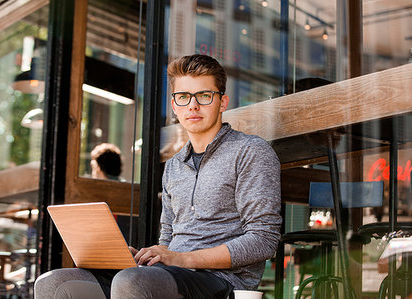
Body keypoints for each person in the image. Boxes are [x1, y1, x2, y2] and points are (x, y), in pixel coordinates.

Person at [34, 54, 281, 299]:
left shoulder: (250, 151)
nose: (193, 106)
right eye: (184, 97)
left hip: (221, 280)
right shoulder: (174, 165)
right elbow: (167, 239)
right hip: (169, 273)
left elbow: (263, 239)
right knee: (53, 282)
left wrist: (181, 259)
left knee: (132, 281)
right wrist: (143, 255)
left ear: (222, 102)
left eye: (204, 96)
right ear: (175, 105)